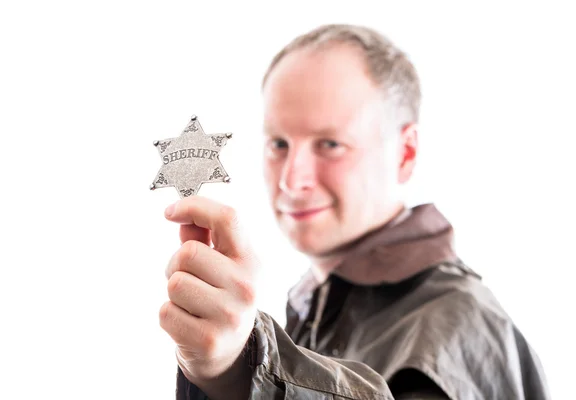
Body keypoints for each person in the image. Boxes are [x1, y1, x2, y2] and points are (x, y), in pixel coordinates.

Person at [159, 24, 551, 399]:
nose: (292, 180)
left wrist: (244, 366)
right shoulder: (318, 309)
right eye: (279, 143)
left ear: (405, 153)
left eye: (329, 144)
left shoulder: (465, 325)